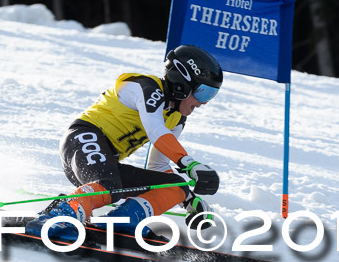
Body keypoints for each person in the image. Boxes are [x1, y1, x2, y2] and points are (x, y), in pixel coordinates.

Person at [26, 44, 222, 241]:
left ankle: (123, 221)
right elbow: (156, 131)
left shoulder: (176, 118)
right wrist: (190, 164)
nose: (204, 103)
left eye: (212, 96)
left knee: (176, 185)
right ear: (182, 83)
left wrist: (188, 198)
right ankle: (57, 216)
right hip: (81, 139)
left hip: (106, 164)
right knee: (109, 183)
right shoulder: (147, 88)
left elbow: (159, 165)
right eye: (204, 93)